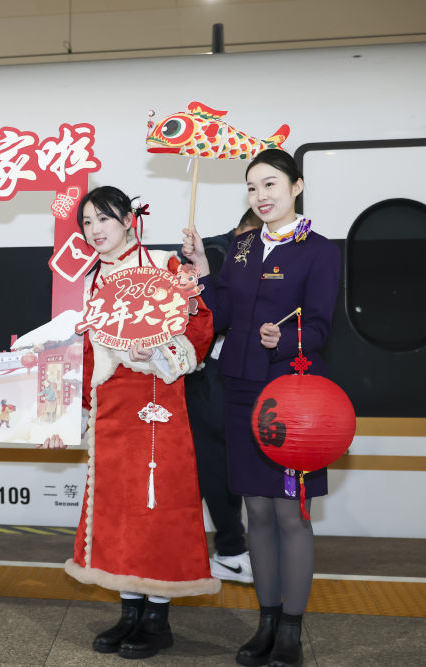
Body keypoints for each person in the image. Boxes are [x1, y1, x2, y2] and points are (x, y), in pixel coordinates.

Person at [41, 186, 219, 660]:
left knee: (156, 505)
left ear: (128, 220)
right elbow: (84, 351)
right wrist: (75, 409)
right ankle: (129, 610)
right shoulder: (93, 280)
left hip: (157, 399)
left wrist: (159, 349)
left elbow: (200, 326)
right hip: (110, 405)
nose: (95, 230)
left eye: (104, 219)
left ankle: (157, 619)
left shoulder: (165, 266)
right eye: (86, 223)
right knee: (116, 506)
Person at [182, 149, 341, 667]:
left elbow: (320, 326)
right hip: (242, 390)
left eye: (270, 185)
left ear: (296, 187)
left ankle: (291, 630)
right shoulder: (244, 246)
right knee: (256, 511)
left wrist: (286, 335)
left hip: (293, 398)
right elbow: (222, 310)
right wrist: (204, 273)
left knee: (291, 514)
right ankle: (266, 620)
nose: (261, 196)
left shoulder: (319, 250)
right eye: (252, 188)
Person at [183, 209, 263, 584]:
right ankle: (230, 549)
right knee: (215, 466)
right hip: (207, 377)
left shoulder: (268, 254)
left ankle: (225, 548)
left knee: (224, 468)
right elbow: (215, 316)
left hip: (239, 374)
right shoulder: (213, 253)